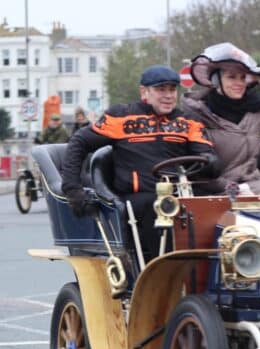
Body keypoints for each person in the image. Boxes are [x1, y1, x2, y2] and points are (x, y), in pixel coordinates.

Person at [60, 65, 218, 262]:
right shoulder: (121, 117)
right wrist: (72, 187)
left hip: (179, 193)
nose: (168, 95)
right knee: (155, 207)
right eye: (161, 90)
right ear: (144, 92)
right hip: (139, 197)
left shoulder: (188, 121)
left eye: (172, 89)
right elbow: (79, 142)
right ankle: (166, 273)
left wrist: (210, 160)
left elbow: (205, 155)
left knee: (216, 206)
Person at [182, 42, 260, 195]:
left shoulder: (256, 111)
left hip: (258, 192)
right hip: (216, 197)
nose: (239, 83)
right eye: (231, 77)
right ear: (216, 81)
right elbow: (197, 172)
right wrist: (235, 190)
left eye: (243, 78)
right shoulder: (197, 116)